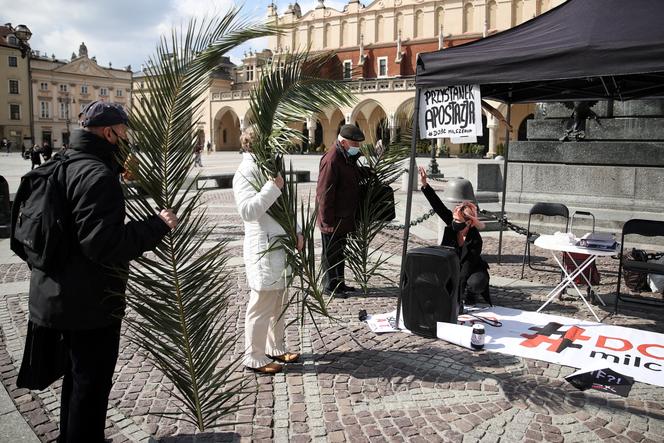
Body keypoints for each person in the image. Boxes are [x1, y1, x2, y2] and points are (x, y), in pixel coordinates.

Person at [27, 101, 178, 442]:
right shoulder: (96, 175)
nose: (127, 140)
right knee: (91, 383)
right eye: (124, 133)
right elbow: (103, 244)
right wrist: (157, 225)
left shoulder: (64, 161)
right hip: (89, 303)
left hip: (56, 290)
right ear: (109, 133)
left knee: (78, 377)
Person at [233, 126, 303, 374]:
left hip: (280, 246)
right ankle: (254, 356)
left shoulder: (269, 168)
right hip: (262, 247)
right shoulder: (246, 172)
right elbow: (247, 211)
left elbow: (286, 206)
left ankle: (276, 347)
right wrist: (272, 187)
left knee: (279, 303)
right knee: (261, 304)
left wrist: (297, 230)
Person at [418, 166, 492, 306]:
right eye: (454, 219)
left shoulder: (475, 240)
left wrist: (455, 302)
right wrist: (425, 185)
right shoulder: (453, 225)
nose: (455, 223)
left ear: (469, 223)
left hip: (471, 270)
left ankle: (471, 294)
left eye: (459, 221)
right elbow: (438, 206)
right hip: (452, 266)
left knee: (476, 282)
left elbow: (465, 271)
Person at [316, 124, 365, 298]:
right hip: (332, 218)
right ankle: (330, 287)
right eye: (354, 144)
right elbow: (324, 193)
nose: (357, 147)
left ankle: (339, 284)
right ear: (343, 142)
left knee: (339, 253)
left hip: (343, 217)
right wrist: (327, 222)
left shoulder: (345, 157)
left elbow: (350, 175)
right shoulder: (332, 159)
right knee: (331, 254)